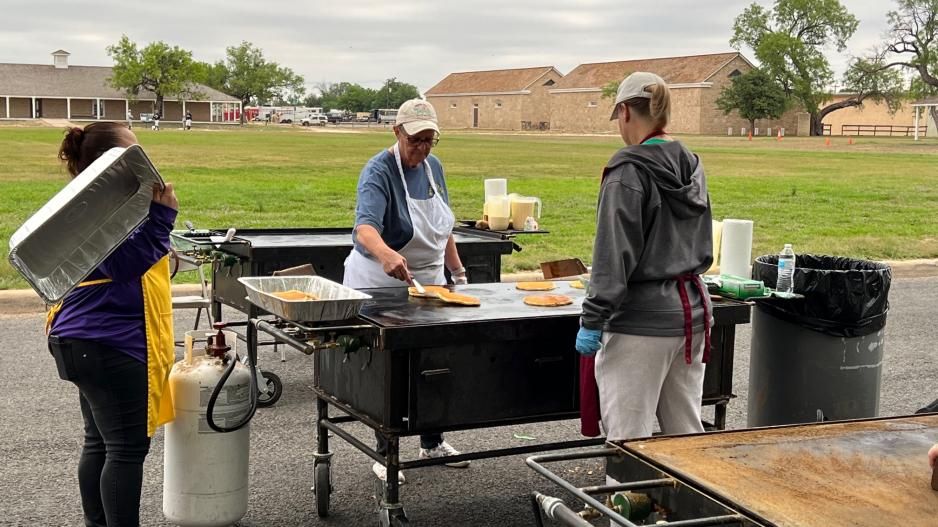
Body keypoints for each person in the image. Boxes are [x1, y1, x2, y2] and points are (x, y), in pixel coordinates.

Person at [48, 121, 179, 526]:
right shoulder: (101, 206)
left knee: (101, 443)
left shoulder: (92, 201)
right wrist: (162, 218)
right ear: (113, 163)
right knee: (125, 449)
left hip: (82, 339)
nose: (143, 158)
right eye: (133, 151)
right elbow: (122, 266)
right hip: (107, 344)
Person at [576, 72, 714, 444]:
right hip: (692, 316)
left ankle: (626, 501)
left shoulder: (627, 170)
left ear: (624, 112)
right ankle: (689, 503)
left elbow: (612, 257)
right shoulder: (691, 163)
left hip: (640, 324)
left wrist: (593, 318)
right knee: (685, 436)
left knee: (628, 440)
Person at [343, 98, 469, 483]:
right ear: (397, 132)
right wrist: (385, 255)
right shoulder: (378, 170)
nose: (423, 148)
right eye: (416, 140)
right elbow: (365, 228)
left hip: (427, 283)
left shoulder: (434, 168)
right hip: (380, 283)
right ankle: (386, 452)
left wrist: (458, 273)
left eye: (430, 140)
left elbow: (442, 227)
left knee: (433, 362)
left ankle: (432, 440)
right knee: (390, 371)